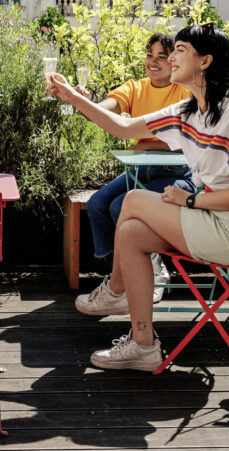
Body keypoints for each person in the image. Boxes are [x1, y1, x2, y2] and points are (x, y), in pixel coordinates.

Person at [46, 23, 229, 372]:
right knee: (131, 233)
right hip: (213, 219)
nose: (172, 56)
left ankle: (115, 291)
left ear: (206, 61)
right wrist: (73, 98)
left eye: (181, 49)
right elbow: (121, 127)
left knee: (133, 200)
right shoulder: (187, 112)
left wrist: (191, 201)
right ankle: (143, 345)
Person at [82, 33, 196, 303]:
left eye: (162, 56)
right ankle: (123, 272)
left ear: (175, 61)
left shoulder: (184, 92)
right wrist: (85, 103)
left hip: (178, 176)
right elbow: (106, 109)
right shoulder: (135, 87)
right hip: (139, 172)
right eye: (149, 55)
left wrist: (145, 146)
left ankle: (153, 267)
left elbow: (185, 145)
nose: (153, 62)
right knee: (98, 204)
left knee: (119, 207)